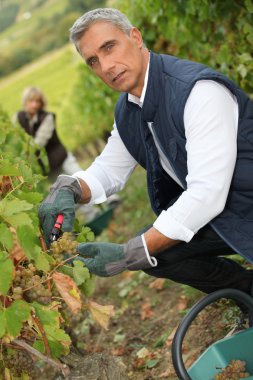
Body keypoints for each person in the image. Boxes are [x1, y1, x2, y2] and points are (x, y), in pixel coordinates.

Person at [39, 8, 253, 299]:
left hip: (244, 206)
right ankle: (247, 292)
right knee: (158, 252)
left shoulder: (198, 92)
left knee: (148, 247)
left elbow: (207, 194)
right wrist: (70, 188)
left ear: (136, 37)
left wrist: (131, 252)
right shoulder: (128, 108)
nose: (106, 66)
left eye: (109, 47)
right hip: (226, 211)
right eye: (93, 61)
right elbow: (109, 170)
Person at [13, 87, 82, 179]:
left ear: (41, 103)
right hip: (47, 168)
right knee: (64, 191)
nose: (34, 105)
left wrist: (22, 153)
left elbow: (38, 143)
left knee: (82, 179)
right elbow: (13, 136)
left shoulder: (47, 117)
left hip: (62, 159)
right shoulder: (18, 117)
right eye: (31, 101)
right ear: (25, 101)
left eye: (37, 101)